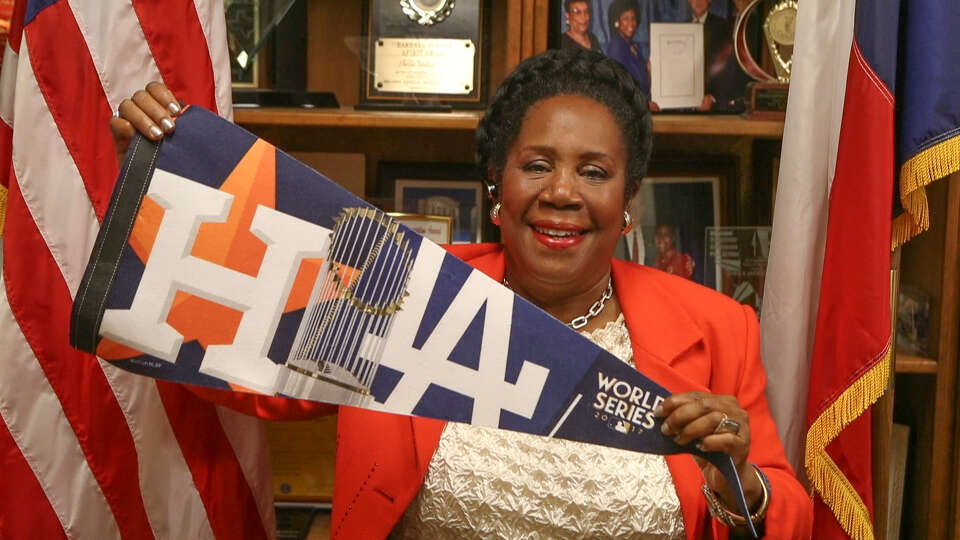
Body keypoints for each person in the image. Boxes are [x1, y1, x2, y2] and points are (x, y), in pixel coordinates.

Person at [111, 48, 812, 538]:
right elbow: (242, 359)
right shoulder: (404, 289)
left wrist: (738, 480)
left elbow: (785, 519)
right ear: (497, 189)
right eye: (536, 165)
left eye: (593, 172)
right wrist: (154, 185)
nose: (562, 192)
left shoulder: (719, 328)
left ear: (628, 202)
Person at [605, 0, 651, 101]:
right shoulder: (616, 47)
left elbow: (642, 83)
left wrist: (648, 70)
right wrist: (645, 104)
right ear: (617, 22)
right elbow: (622, 88)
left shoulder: (633, 47)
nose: (631, 23)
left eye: (633, 18)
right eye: (625, 18)